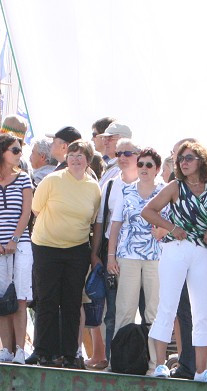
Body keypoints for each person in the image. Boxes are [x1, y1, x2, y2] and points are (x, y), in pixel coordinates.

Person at [141, 141, 207, 382]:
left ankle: (199, 372)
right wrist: (172, 227)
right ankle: (159, 366)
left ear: (201, 161)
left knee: (202, 312)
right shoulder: (175, 186)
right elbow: (148, 211)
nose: (183, 163)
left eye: (189, 158)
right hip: (176, 248)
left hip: (203, 251)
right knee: (167, 305)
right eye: (181, 159)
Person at [28, 140, 101, 368]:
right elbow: (36, 209)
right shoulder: (51, 180)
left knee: (71, 302)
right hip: (46, 246)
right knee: (46, 300)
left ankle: (70, 354)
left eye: (81, 156)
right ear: (66, 158)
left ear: (88, 161)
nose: (75, 159)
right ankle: (43, 352)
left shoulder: (93, 188)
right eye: (72, 154)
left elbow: (92, 220)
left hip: (77, 250)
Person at [107, 147, 166, 372]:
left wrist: (164, 231)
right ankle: (117, 362)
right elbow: (116, 225)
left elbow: (172, 224)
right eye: (140, 164)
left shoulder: (165, 191)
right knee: (124, 310)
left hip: (156, 257)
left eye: (149, 165)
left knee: (153, 312)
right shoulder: (126, 191)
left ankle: (154, 365)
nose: (143, 169)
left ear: (157, 169)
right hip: (127, 256)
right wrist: (111, 255)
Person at [0, 133, 34, 364]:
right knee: (0, 297)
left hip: (20, 245)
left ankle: (20, 350)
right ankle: (5, 349)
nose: (18, 155)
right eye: (14, 150)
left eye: (19, 151)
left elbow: (26, 212)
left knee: (20, 297)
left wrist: (14, 239)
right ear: (2, 151)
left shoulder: (24, 179)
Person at [89, 136, 140, 368]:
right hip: (113, 252)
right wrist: (96, 254)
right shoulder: (110, 184)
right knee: (111, 313)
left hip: (142, 254)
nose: (121, 158)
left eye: (127, 153)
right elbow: (101, 221)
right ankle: (112, 360)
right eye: (118, 154)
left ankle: (143, 361)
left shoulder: (150, 182)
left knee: (146, 310)